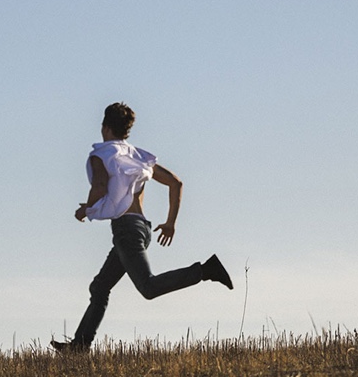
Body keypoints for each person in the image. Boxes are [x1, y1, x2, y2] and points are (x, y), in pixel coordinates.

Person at [51, 102, 233, 353]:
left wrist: (86, 210)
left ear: (105, 127)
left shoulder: (101, 155)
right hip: (140, 228)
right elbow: (176, 183)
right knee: (100, 287)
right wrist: (171, 223)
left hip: (127, 231)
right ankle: (80, 346)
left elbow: (100, 187)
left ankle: (205, 270)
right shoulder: (136, 156)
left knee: (148, 287)